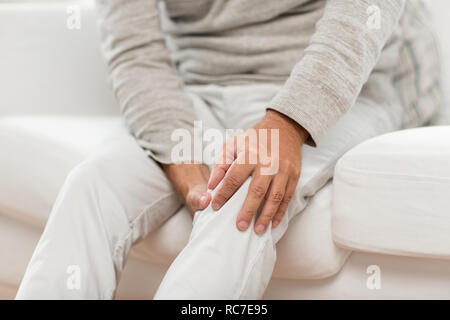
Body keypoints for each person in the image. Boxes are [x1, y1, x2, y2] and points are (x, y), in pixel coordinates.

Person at [16, 0, 442, 299]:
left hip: (346, 89)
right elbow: (135, 47)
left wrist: (288, 122)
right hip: (200, 88)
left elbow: (362, 11)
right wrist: (179, 157)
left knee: (241, 206)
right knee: (92, 186)